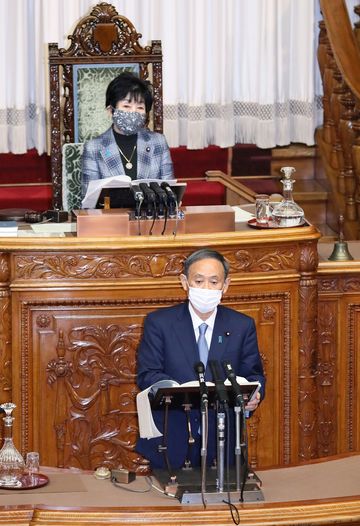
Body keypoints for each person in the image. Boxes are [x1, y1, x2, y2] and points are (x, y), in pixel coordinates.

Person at [136, 248, 265, 470]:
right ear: (184, 282)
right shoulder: (159, 323)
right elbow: (147, 374)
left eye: (214, 282)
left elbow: (253, 375)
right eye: (198, 281)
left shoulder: (241, 326)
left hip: (223, 441)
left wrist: (254, 397)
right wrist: (180, 392)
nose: (206, 289)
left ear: (225, 285)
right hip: (172, 436)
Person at [81, 72, 174, 200]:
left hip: (150, 217)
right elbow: (89, 199)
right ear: (110, 110)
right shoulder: (93, 148)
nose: (133, 112)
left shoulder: (158, 142)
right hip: (110, 218)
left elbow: (169, 191)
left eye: (140, 107)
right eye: (126, 106)